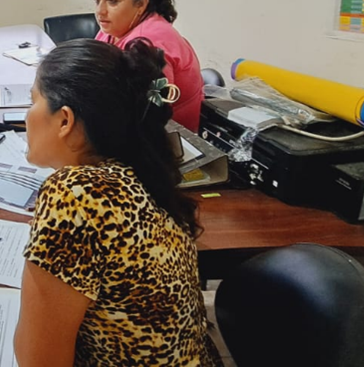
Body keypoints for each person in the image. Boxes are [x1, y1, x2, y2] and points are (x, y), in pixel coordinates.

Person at [14, 39, 222, 367]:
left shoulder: (75, 195)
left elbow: (38, 362)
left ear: (65, 120)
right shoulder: (140, 170)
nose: (25, 116)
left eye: (33, 100)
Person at [93, 0, 204, 131]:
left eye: (112, 1)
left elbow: (149, 116)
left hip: (170, 135)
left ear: (141, 4)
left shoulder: (149, 44)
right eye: (97, 0)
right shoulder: (111, 30)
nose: (100, 11)